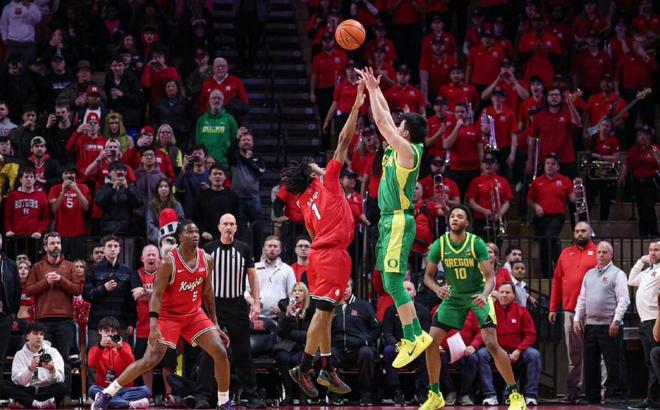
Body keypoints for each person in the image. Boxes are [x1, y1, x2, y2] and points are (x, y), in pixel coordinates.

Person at [91, 220, 233, 410]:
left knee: (220, 352)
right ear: (180, 237)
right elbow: (156, 295)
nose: (195, 235)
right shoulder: (168, 262)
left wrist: (214, 322)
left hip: (194, 314)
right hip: (169, 316)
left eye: (197, 232)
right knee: (150, 361)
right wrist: (153, 326)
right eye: (189, 232)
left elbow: (207, 293)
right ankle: (106, 393)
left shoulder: (207, 259)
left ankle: (224, 402)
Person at [284, 81, 364, 398]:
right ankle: (304, 367)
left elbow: (314, 234)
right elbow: (343, 140)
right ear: (313, 173)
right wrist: (356, 105)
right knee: (322, 314)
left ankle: (328, 368)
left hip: (320, 255)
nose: (321, 164)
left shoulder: (304, 203)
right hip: (333, 256)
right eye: (317, 165)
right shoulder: (328, 180)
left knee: (326, 313)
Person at [356, 66, 432, 369]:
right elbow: (386, 118)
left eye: (400, 127)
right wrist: (376, 90)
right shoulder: (400, 146)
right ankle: (416, 335)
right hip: (389, 220)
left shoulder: (408, 151)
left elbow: (382, 123)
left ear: (406, 134)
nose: (394, 127)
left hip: (399, 219)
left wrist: (372, 92)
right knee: (389, 281)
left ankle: (412, 336)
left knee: (393, 281)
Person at [420, 204, 527, 410]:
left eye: (460, 216)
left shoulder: (475, 243)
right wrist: (437, 289)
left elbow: (490, 278)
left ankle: (515, 395)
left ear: (467, 222)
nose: (455, 219)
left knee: (491, 343)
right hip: (453, 297)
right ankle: (435, 394)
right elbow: (428, 277)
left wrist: (485, 295)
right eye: (452, 216)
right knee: (431, 343)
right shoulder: (440, 244)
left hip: (477, 294)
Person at [200, 213, 264, 408]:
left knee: (243, 352)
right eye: (225, 224)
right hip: (214, 306)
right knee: (208, 352)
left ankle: (252, 396)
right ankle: (203, 396)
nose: (228, 227)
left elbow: (253, 277)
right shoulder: (208, 249)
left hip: (237, 305)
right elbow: (201, 278)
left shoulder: (243, 248)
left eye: (232, 224)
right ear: (219, 227)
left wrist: (256, 302)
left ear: (236, 228)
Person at [573, 241, 629, 404]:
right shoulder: (589, 274)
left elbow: (624, 300)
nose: (601, 255)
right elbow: (582, 298)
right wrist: (577, 318)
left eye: (605, 252)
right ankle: (593, 396)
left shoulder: (618, 274)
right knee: (591, 363)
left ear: (611, 255)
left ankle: (615, 395)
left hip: (609, 325)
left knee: (613, 362)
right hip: (591, 325)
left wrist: (616, 320)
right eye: (599, 252)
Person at [548, 222, 597, 403]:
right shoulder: (565, 253)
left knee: (596, 353)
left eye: (583, 231)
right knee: (573, 354)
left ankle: (600, 391)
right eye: (577, 231)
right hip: (570, 309)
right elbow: (556, 281)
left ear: (591, 233)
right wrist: (553, 307)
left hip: (593, 311)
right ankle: (573, 391)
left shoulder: (598, 252)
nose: (579, 234)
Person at [25, 232, 80, 391]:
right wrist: (45, 282)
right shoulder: (37, 267)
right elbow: (28, 290)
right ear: (45, 247)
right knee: (41, 358)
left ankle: (65, 394)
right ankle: (41, 393)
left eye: (58, 243)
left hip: (65, 320)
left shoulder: (70, 266)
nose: (56, 246)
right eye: (52, 243)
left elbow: (77, 289)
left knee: (63, 359)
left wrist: (61, 280)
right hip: (43, 321)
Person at [477, 282, 540, 406]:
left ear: (514, 295)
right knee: (481, 354)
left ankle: (530, 395)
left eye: (507, 292)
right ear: (497, 294)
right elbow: (484, 333)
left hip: (517, 350)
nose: (504, 295)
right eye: (501, 292)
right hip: (496, 350)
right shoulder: (490, 311)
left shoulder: (522, 311)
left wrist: (519, 350)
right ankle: (490, 395)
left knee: (534, 355)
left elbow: (531, 334)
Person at [130, 245, 177, 406]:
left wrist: (147, 293)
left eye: (154, 255)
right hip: (144, 327)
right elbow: (137, 296)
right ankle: (148, 395)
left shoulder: (166, 272)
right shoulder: (136, 274)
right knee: (146, 363)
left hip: (166, 325)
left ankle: (168, 395)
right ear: (142, 259)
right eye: (148, 255)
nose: (151, 258)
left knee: (168, 363)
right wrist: (157, 294)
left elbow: (168, 296)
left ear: (159, 258)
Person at [83, 235, 138, 349]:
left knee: (120, 357)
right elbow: (86, 295)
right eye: (109, 246)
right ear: (103, 249)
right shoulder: (93, 270)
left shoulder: (127, 271)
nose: (113, 249)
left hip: (121, 323)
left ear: (119, 249)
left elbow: (131, 300)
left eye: (116, 246)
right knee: (96, 357)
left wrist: (131, 322)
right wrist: (103, 288)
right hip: (97, 324)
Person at [382, 280, 431, 405]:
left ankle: (423, 391)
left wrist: (414, 346)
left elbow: (425, 333)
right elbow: (387, 333)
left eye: (409, 289)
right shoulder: (391, 310)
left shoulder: (423, 311)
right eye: (403, 289)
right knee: (388, 351)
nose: (405, 292)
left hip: (417, 347)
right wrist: (399, 346)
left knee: (427, 351)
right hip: (399, 348)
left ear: (415, 293)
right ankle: (397, 390)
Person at [527, 154, 575, 277]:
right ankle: (547, 276)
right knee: (544, 245)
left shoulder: (565, 180)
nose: (550, 166)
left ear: (558, 167)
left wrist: (578, 192)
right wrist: (535, 206)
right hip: (541, 218)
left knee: (550, 237)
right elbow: (529, 199)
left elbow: (572, 198)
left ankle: (558, 269)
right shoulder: (537, 181)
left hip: (557, 217)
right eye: (547, 163)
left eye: (553, 164)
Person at [88, 316, 150, 409]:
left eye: (113, 331)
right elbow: (91, 364)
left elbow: (132, 365)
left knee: (145, 390)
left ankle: (104, 401)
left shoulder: (125, 346)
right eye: (106, 331)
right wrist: (101, 347)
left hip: (124, 389)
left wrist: (120, 348)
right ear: (100, 331)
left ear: (117, 333)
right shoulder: (95, 349)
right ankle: (129, 404)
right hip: (105, 390)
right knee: (92, 389)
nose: (110, 334)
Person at [2, 322, 65, 409]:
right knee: (3, 384)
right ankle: (38, 403)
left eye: (41, 334)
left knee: (62, 387)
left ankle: (26, 402)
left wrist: (52, 370)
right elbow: (17, 380)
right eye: (35, 333)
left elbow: (60, 379)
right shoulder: (20, 354)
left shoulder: (53, 352)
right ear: (27, 336)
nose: (39, 337)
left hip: (45, 389)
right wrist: (30, 369)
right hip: (27, 389)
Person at [628, 241, 660, 409]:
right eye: (651, 250)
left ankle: (653, 400)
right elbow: (631, 280)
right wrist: (641, 260)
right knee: (650, 362)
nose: (652, 253)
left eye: (656, 250)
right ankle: (651, 398)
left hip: (655, 321)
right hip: (644, 321)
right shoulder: (647, 271)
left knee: (655, 362)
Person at [273, 282, 314, 405]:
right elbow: (280, 332)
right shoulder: (285, 307)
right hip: (287, 345)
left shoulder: (311, 310)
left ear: (305, 295)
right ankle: (289, 394)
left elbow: (310, 334)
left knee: (298, 360)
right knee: (283, 357)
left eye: (300, 291)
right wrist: (286, 316)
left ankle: (302, 394)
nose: (297, 293)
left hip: (304, 346)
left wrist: (291, 333)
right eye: (294, 291)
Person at [618, 125, 659, 237]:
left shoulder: (655, 149)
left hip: (651, 182)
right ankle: (643, 234)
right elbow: (627, 164)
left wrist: (657, 156)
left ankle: (654, 233)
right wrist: (622, 176)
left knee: (648, 206)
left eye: (645, 134)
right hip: (638, 183)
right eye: (640, 134)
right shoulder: (633, 150)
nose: (642, 137)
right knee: (641, 208)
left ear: (649, 136)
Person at [4, 166, 49, 258]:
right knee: (16, 263)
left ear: (34, 180)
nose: (29, 179)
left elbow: (45, 218)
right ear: (21, 179)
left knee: (34, 262)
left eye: (31, 177)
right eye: (26, 177)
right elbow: (8, 216)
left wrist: (39, 231)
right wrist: (8, 230)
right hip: (16, 238)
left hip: (34, 238)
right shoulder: (13, 196)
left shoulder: (41, 196)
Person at [249, 237, 296, 319]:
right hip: (256, 315)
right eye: (269, 246)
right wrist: (254, 302)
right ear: (264, 249)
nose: (272, 249)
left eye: (275, 246)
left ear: (280, 250)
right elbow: (245, 291)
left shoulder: (288, 270)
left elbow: (293, 294)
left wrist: (283, 307)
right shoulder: (254, 268)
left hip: (280, 317)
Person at [193, 165, 240, 242]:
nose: (217, 176)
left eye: (220, 174)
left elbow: (237, 219)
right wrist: (203, 232)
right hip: (207, 239)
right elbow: (196, 218)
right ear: (209, 177)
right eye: (215, 174)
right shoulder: (202, 196)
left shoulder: (232, 196)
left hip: (228, 238)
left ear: (225, 177)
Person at [194, 90, 238, 168]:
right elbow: (198, 142)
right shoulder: (202, 120)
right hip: (205, 163)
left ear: (222, 101)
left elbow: (234, 140)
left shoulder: (230, 119)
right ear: (209, 100)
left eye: (219, 98)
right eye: (214, 98)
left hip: (223, 163)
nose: (216, 100)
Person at [0, 232, 21, 376]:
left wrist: (12, 314)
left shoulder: (10, 264)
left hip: (4, 317)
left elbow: (17, 290)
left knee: (0, 358)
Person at [175, 145, 210, 217]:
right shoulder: (186, 174)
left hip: (206, 213)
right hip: (189, 214)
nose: (197, 156)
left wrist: (209, 190)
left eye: (200, 153)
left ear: (205, 157)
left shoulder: (210, 175)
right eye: (195, 154)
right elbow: (178, 188)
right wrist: (184, 167)